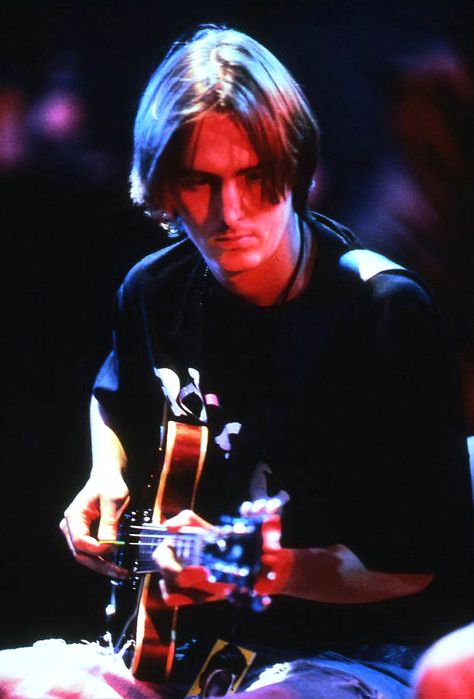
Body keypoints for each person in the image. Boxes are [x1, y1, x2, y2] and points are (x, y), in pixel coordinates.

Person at [59, 25, 473, 698]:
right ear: (164, 187)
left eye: (255, 178)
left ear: (299, 168)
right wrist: (103, 476)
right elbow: (112, 393)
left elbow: (418, 563)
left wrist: (268, 570)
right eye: (199, 182)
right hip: (179, 648)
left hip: (357, 655)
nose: (230, 213)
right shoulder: (154, 289)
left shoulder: (384, 313)